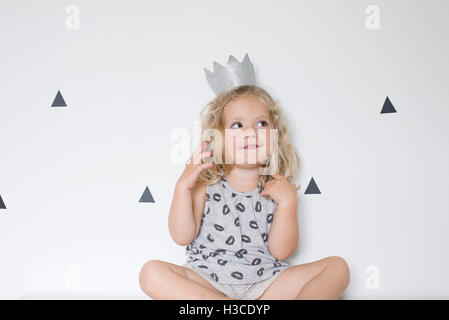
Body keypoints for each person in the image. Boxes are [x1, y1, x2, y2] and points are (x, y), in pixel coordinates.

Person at [139, 84, 350, 300]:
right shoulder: (205, 184)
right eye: (237, 125)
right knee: (151, 274)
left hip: (266, 284)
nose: (250, 132)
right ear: (219, 137)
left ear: (275, 137)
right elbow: (182, 236)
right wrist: (182, 187)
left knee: (338, 268)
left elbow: (281, 251)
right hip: (209, 282)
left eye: (261, 123)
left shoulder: (277, 188)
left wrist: (288, 204)